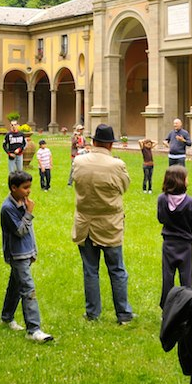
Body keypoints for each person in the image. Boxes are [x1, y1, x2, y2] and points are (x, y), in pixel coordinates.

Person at [71, 124, 133, 324]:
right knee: (117, 270)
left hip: (85, 223)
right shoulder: (117, 165)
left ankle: (92, 313)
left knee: (90, 270)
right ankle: (123, 314)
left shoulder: (79, 162)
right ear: (111, 144)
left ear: (94, 141)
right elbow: (124, 187)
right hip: (110, 224)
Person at [0, 171, 54, 342]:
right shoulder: (8, 208)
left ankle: (7, 317)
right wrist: (29, 212)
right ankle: (34, 329)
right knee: (28, 289)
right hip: (17, 254)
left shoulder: (22, 201)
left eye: (29, 187)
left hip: (25, 252)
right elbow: (20, 231)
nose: (29, 191)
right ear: (13, 188)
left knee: (15, 286)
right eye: (25, 188)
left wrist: (33, 251)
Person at [158, 165, 192, 308]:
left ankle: (167, 308)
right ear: (181, 181)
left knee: (167, 278)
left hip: (168, 243)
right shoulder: (190, 202)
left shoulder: (162, 199)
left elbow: (161, 219)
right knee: (186, 278)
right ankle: (188, 307)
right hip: (185, 244)